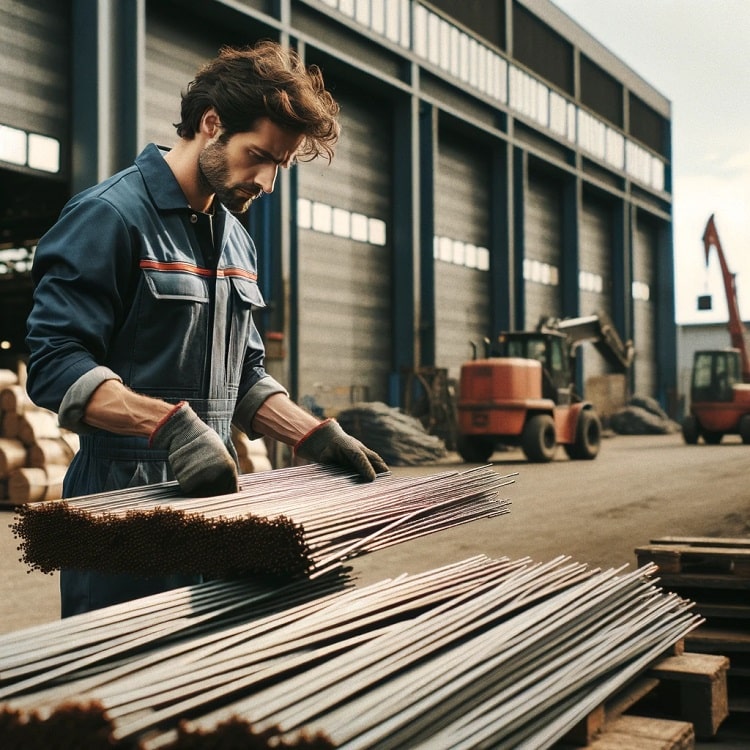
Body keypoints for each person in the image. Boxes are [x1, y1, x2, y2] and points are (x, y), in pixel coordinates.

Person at [25, 41, 388, 617]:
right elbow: (54, 362)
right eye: (260, 156)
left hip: (215, 500)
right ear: (211, 123)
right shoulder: (110, 216)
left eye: (280, 166)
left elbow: (243, 374)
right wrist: (167, 427)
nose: (267, 182)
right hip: (121, 504)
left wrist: (312, 434)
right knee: (123, 684)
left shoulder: (237, 238)